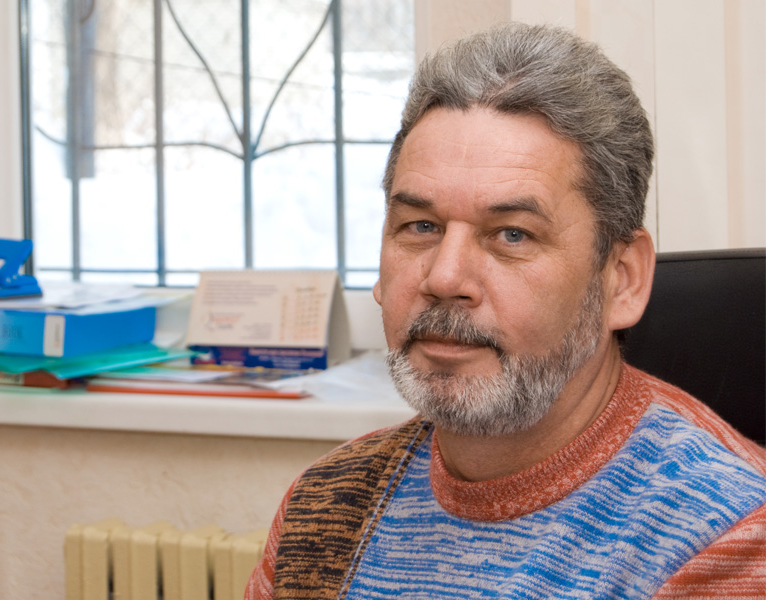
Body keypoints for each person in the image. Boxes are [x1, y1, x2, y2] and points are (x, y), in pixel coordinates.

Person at [245, 22, 766, 600]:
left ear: (621, 280)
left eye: (512, 234)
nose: (444, 278)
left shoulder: (732, 538)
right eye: (420, 226)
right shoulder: (324, 509)